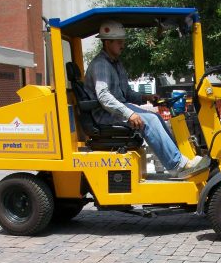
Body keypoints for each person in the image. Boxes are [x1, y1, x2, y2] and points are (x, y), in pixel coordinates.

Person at [83, 20, 209, 177]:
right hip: (105, 115)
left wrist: (145, 97)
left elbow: (127, 93)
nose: (123, 45)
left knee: (155, 117)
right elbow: (104, 96)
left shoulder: (116, 64)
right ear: (107, 42)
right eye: (119, 42)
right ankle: (177, 165)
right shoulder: (101, 65)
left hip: (114, 111)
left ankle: (181, 160)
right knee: (150, 121)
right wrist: (129, 114)